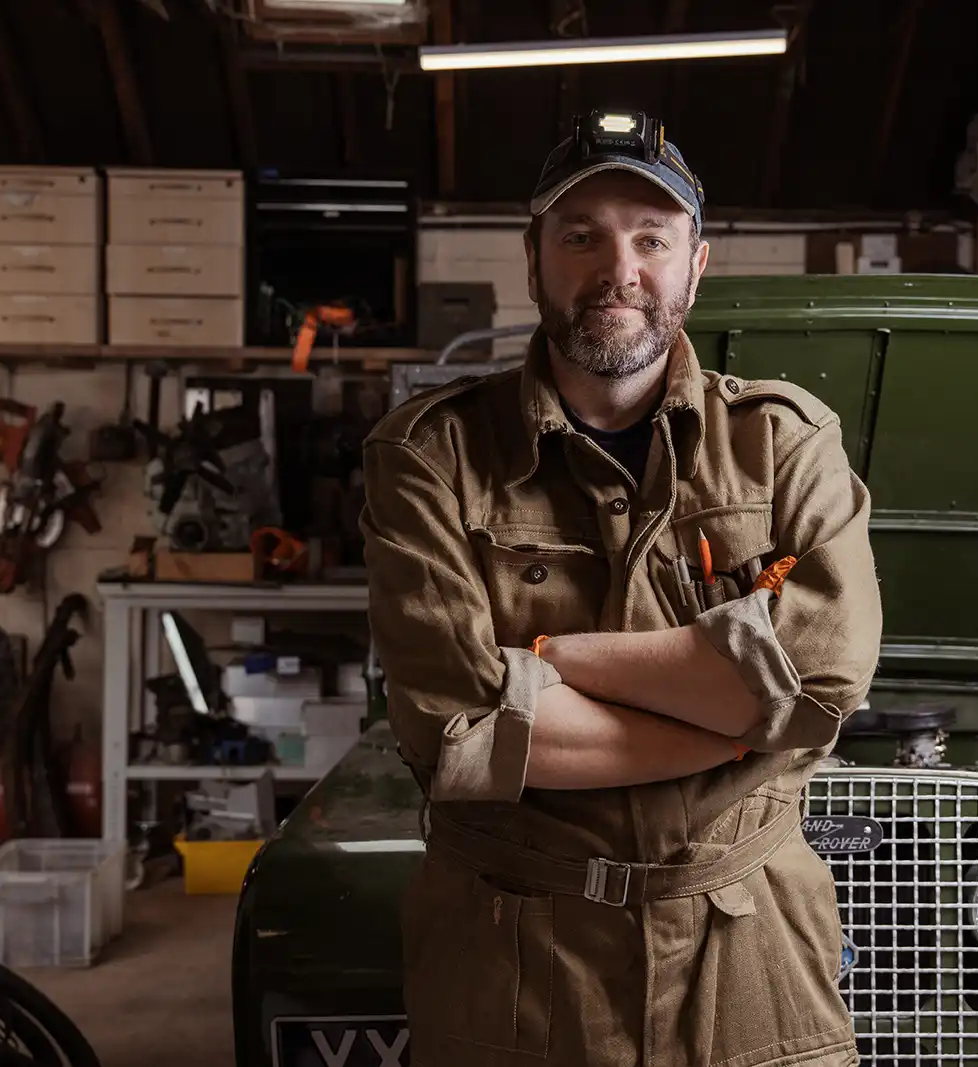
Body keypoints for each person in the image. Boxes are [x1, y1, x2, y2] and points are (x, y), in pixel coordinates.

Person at [360, 109, 882, 1067]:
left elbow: (820, 680)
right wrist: (736, 715)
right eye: (581, 236)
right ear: (535, 260)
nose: (619, 268)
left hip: (752, 953)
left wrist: (553, 661)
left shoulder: (785, 442)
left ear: (697, 263)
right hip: (513, 961)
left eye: (652, 238)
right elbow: (458, 728)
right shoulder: (430, 457)